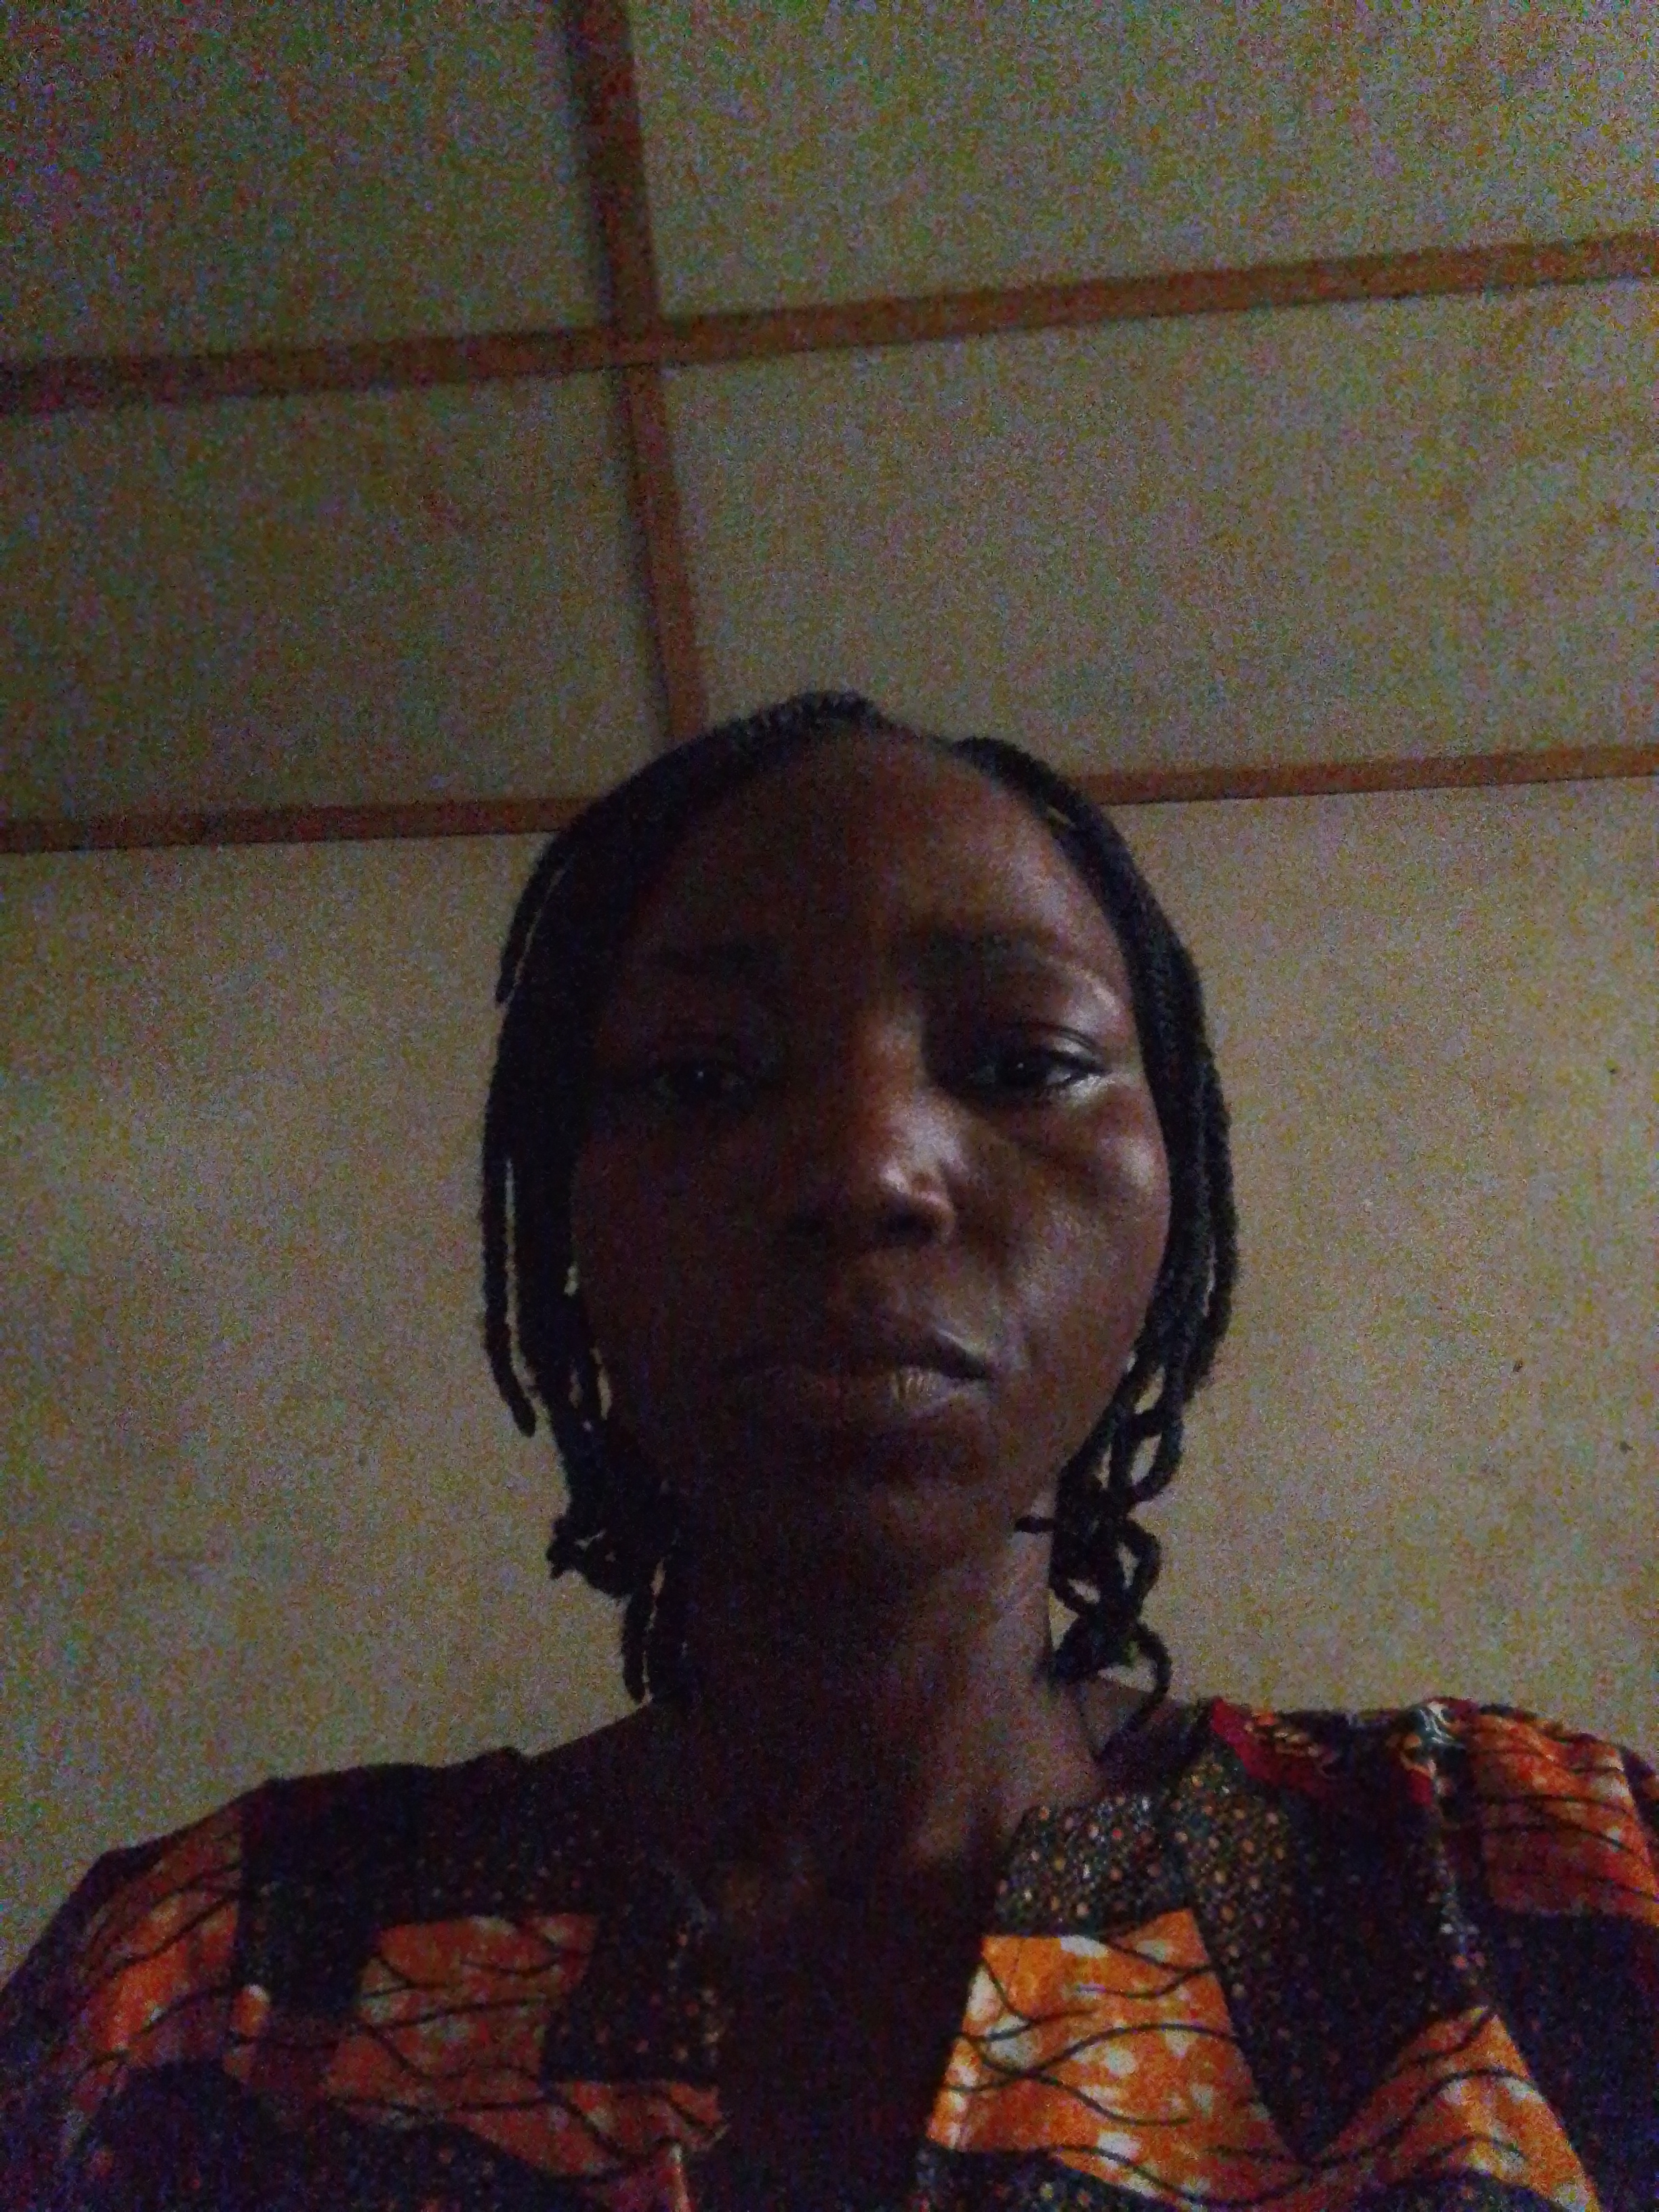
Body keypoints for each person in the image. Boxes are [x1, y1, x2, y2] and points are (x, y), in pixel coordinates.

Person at [2, 693, 1653, 2211]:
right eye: (701, 1075)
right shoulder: (210, 1985)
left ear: (1177, 1215)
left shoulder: (1538, 1892)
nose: (868, 1169)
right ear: (565, 1226)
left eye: (1023, 1064)